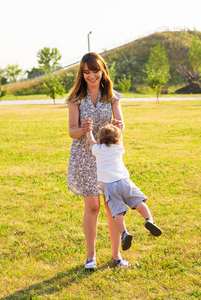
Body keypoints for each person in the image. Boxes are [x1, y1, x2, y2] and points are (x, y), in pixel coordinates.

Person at [66, 52, 128, 270]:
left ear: (103, 71)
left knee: (111, 207)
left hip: (106, 158)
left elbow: (120, 124)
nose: (91, 76)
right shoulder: (76, 98)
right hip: (84, 156)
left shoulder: (112, 96)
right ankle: (90, 256)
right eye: (87, 72)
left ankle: (116, 255)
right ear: (82, 74)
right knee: (92, 206)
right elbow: (72, 131)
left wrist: (118, 126)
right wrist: (82, 129)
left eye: (95, 71)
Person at [86, 123, 162, 251]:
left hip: (110, 186)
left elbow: (91, 141)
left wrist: (88, 131)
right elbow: (120, 140)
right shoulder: (118, 148)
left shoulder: (98, 150)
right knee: (139, 202)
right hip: (124, 181)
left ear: (100, 140)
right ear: (117, 140)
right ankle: (149, 220)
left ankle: (124, 233)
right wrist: (119, 130)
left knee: (117, 212)